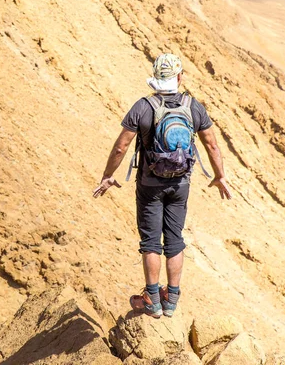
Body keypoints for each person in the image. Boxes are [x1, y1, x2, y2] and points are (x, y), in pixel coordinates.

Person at [93, 53, 232, 318]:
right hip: (180, 184)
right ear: (179, 77)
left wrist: (108, 176)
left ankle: (152, 299)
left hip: (150, 184)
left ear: (156, 78)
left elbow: (121, 146)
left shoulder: (143, 107)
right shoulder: (193, 106)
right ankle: (172, 300)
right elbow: (211, 143)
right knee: (174, 240)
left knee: (150, 242)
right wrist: (220, 175)